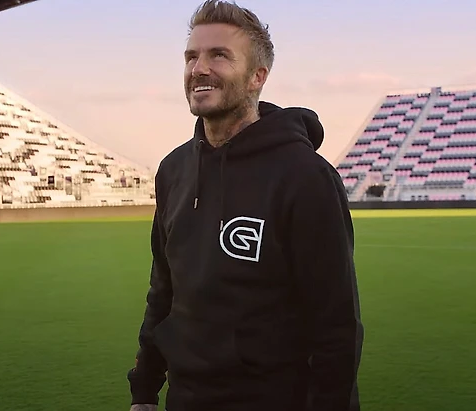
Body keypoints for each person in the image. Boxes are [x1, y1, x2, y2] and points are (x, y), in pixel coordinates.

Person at [127, 1, 364, 410]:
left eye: (219, 55)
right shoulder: (173, 170)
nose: (199, 68)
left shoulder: (305, 176)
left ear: (258, 76)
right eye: (191, 56)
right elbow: (164, 290)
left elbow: (335, 325)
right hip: (186, 399)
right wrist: (145, 387)